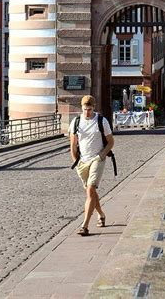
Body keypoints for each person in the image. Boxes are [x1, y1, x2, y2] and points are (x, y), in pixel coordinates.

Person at [69, 95, 114, 236]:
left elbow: (111, 141)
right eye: (84, 109)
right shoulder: (76, 122)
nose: (87, 112)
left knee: (90, 190)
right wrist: (76, 162)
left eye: (89, 109)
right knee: (91, 192)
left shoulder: (102, 121)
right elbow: (72, 145)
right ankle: (101, 214)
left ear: (94, 108)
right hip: (82, 161)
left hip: (97, 159)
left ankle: (85, 226)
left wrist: (102, 155)